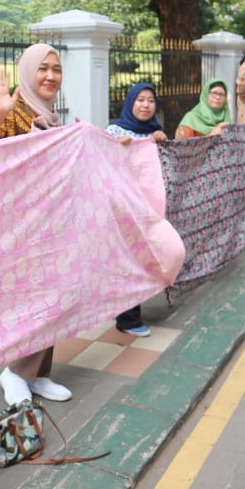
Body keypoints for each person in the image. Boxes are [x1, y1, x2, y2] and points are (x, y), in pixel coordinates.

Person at [0, 43, 74, 406]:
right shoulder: (15, 115)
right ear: (28, 72)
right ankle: (14, 372)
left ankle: (37, 373)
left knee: (56, 297)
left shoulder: (52, 117)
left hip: (53, 224)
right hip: (20, 227)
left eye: (56, 69)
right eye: (42, 68)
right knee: (37, 299)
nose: (50, 75)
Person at [105, 83, 168, 338]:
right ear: (130, 102)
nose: (145, 105)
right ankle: (128, 319)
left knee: (148, 257)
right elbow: (100, 159)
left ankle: (128, 310)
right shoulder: (114, 130)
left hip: (148, 209)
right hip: (122, 208)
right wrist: (115, 146)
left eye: (150, 100)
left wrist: (163, 143)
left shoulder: (155, 132)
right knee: (129, 260)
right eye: (140, 100)